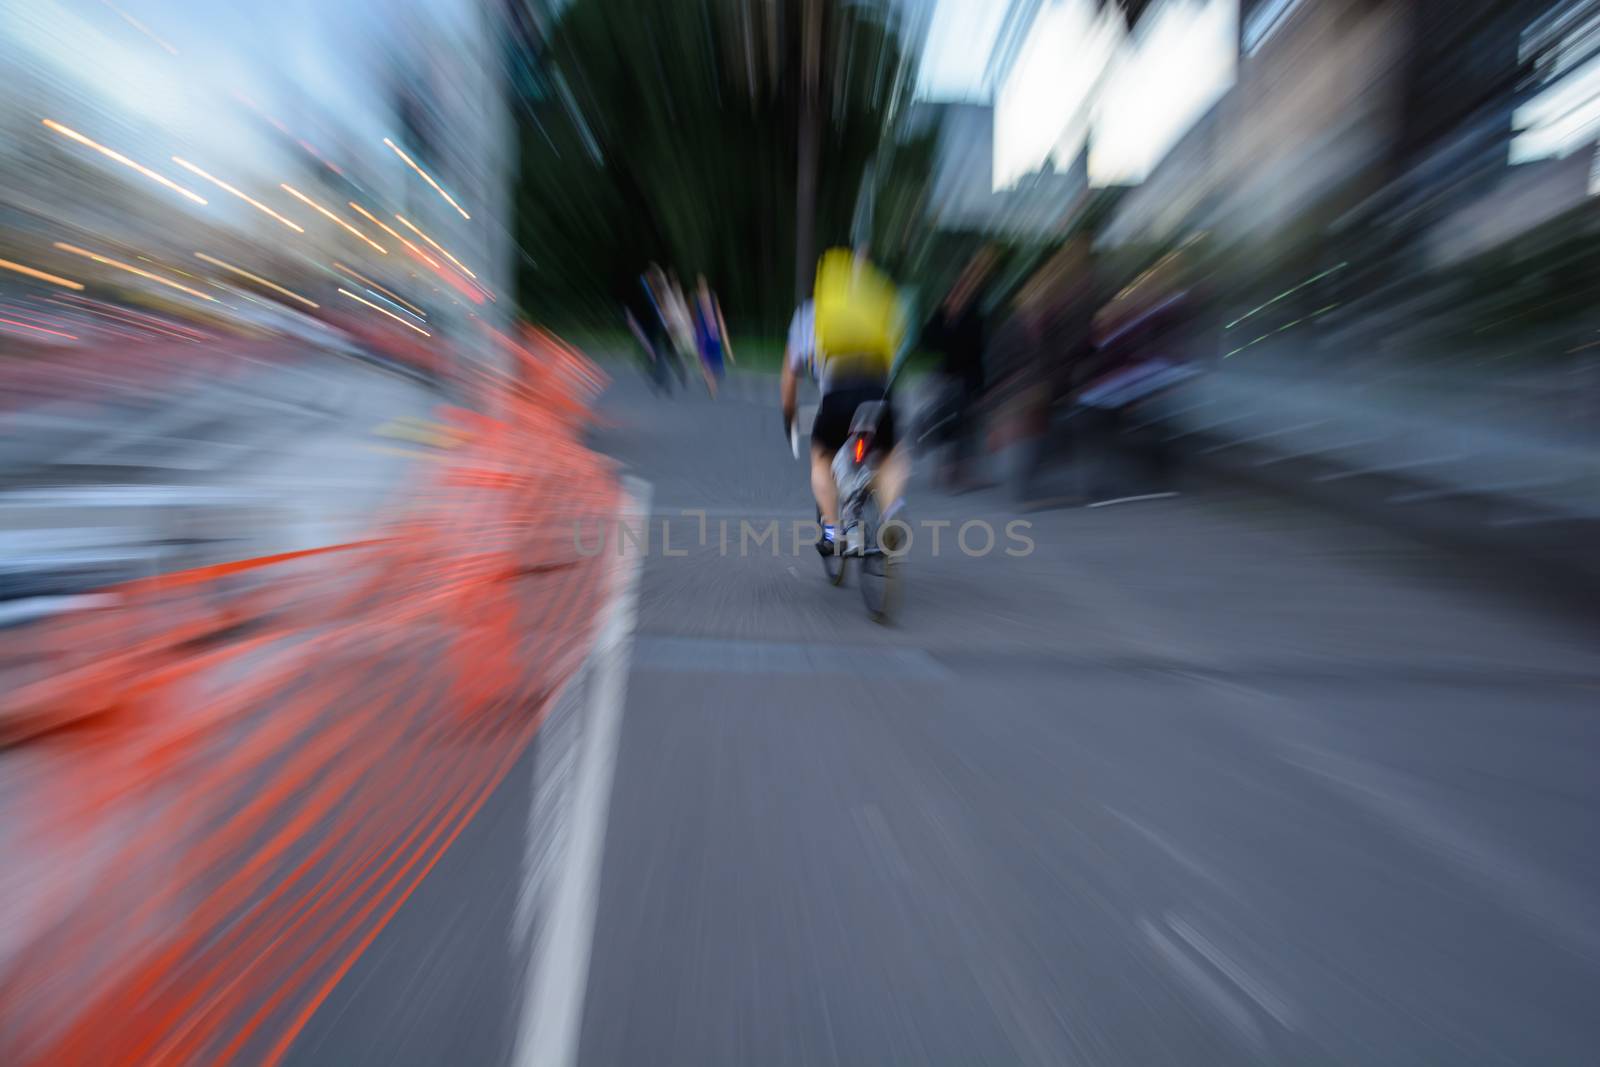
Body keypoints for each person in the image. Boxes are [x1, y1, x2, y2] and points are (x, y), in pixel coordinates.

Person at [781, 249, 909, 555]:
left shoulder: (809, 315)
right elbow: (894, 359)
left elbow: (788, 381)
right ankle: (891, 514)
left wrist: (789, 418)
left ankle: (832, 530)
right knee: (890, 453)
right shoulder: (879, 308)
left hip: (837, 393)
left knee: (822, 456)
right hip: (877, 391)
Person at [693, 274, 733, 396]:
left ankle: (712, 380)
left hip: (712, 332)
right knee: (704, 361)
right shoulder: (696, 298)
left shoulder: (712, 296)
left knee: (718, 369)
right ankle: (711, 385)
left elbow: (718, 314)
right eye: (700, 285)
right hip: (702, 333)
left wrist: (720, 331)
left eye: (703, 284)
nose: (702, 287)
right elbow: (694, 317)